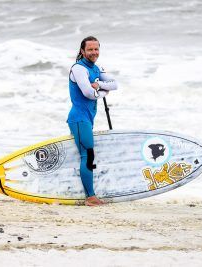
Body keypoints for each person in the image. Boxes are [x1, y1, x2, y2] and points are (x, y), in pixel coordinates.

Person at [67, 36, 118, 206]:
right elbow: (88, 93)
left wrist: (99, 85)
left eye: (96, 49)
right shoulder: (78, 68)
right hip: (79, 119)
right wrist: (102, 90)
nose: (94, 52)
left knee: (84, 154)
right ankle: (90, 197)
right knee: (88, 154)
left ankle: (79, 190)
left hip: (88, 118)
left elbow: (114, 84)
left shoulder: (96, 68)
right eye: (90, 49)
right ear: (82, 51)